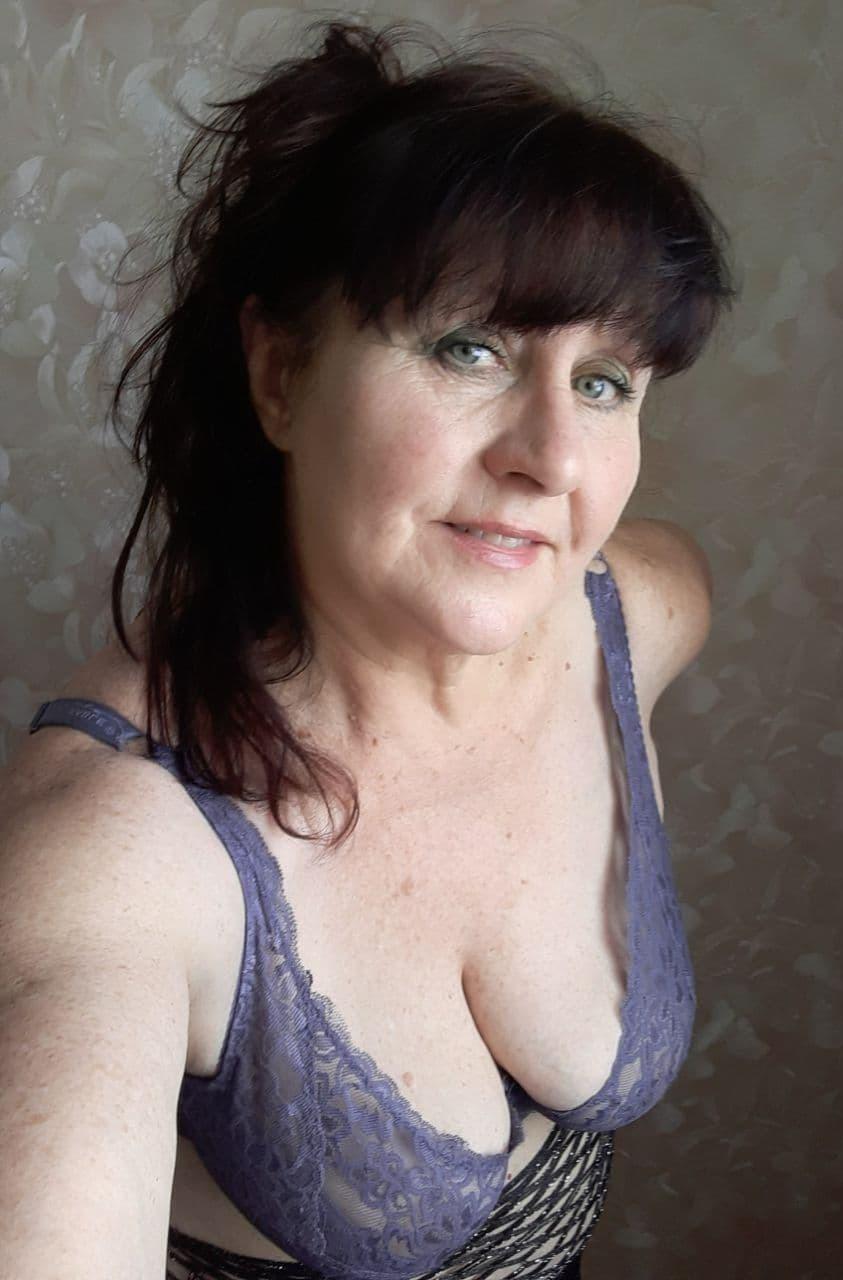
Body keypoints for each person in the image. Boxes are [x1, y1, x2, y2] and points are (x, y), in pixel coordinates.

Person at [0, 17, 736, 1280]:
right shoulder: (118, 851)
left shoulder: (638, 607)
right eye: (471, 347)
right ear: (282, 375)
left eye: (605, 380)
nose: (553, 460)